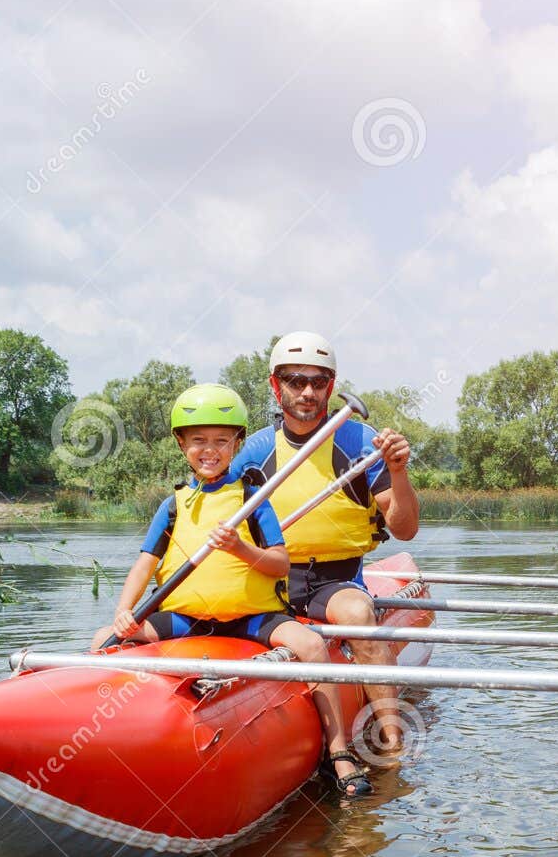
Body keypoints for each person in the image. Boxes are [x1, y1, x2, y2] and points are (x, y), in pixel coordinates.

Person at [91, 383, 373, 797]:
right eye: (199, 441)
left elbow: (280, 562)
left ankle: (338, 753)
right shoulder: (173, 506)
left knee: (311, 645)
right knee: (103, 640)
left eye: (222, 441)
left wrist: (240, 547)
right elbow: (145, 563)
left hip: (251, 617)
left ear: (237, 443)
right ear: (181, 444)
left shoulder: (253, 500)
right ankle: (103, 739)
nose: (210, 450)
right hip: (189, 620)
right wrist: (124, 609)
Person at [230, 331, 419, 753]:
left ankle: (391, 741)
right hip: (270, 578)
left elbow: (404, 529)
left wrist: (399, 472)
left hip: (335, 582)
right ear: (275, 385)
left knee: (356, 614)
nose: (308, 392)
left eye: (319, 382)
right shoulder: (253, 452)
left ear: (331, 388)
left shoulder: (360, 444)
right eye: (296, 380)